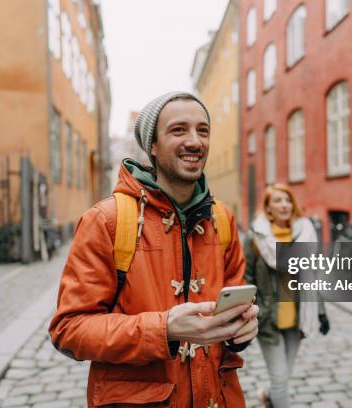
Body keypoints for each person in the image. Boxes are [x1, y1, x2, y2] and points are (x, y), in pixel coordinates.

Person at [48, 91, 258, 408]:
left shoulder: (222, 219)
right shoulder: (107, 221)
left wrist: (239, 329)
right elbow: (69, 330)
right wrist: (164, 330)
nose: (194, 141)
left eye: (203, 130)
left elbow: (232, 300)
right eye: (178, 130)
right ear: (153, 147)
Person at [244, 183, 329, 408]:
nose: (284, 205)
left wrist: (320, 311)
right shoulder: (255, 238)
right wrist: (255, 314)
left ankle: (268, 396)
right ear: (268, 208)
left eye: (288, 200)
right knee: (281, 378)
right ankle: (274, 396)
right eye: (278, 201)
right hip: (269, 321)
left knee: (284, 375)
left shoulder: (304, 233)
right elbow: (247, 279)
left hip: (297, 318)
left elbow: (311, 273)